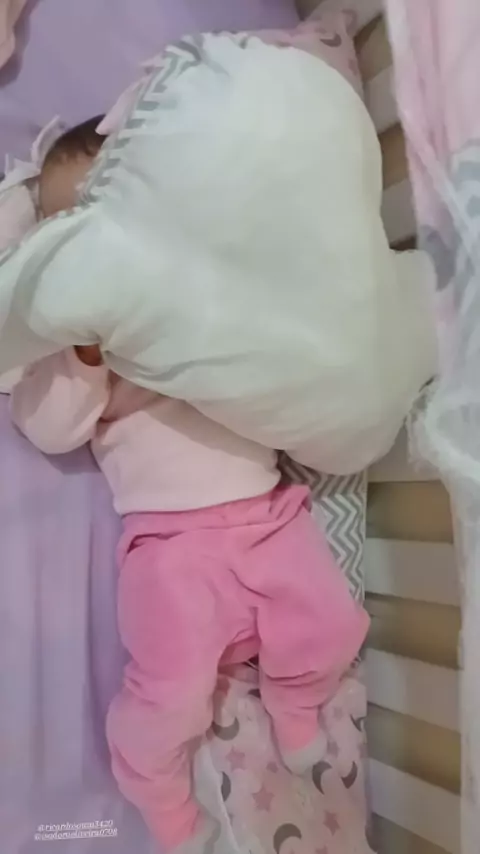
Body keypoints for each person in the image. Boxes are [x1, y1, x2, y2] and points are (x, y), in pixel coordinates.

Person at [11, 120, 369, 854]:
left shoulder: (204, 299)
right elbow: (50, 428)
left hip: (269, 519)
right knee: (169, 695)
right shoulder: (77, 349)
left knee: (332, 625)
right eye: (65, 233)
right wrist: (83, 355)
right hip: (170, 548)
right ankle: (159, 793)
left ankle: (296, 699)